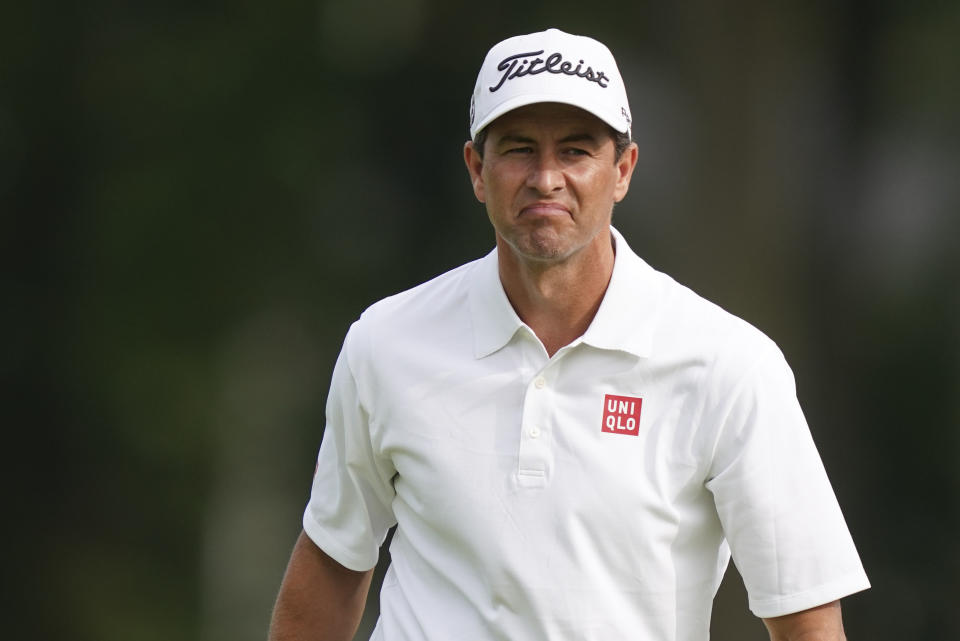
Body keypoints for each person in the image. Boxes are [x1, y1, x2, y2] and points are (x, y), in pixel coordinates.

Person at [268, 28, 869, 641]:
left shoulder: (729, 364)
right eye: (519, 149)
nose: (546, 178)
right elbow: (332, 565)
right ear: (478, 169)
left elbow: (807, 622)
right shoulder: (386, 343)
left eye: (576, 151)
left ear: (622, 170)